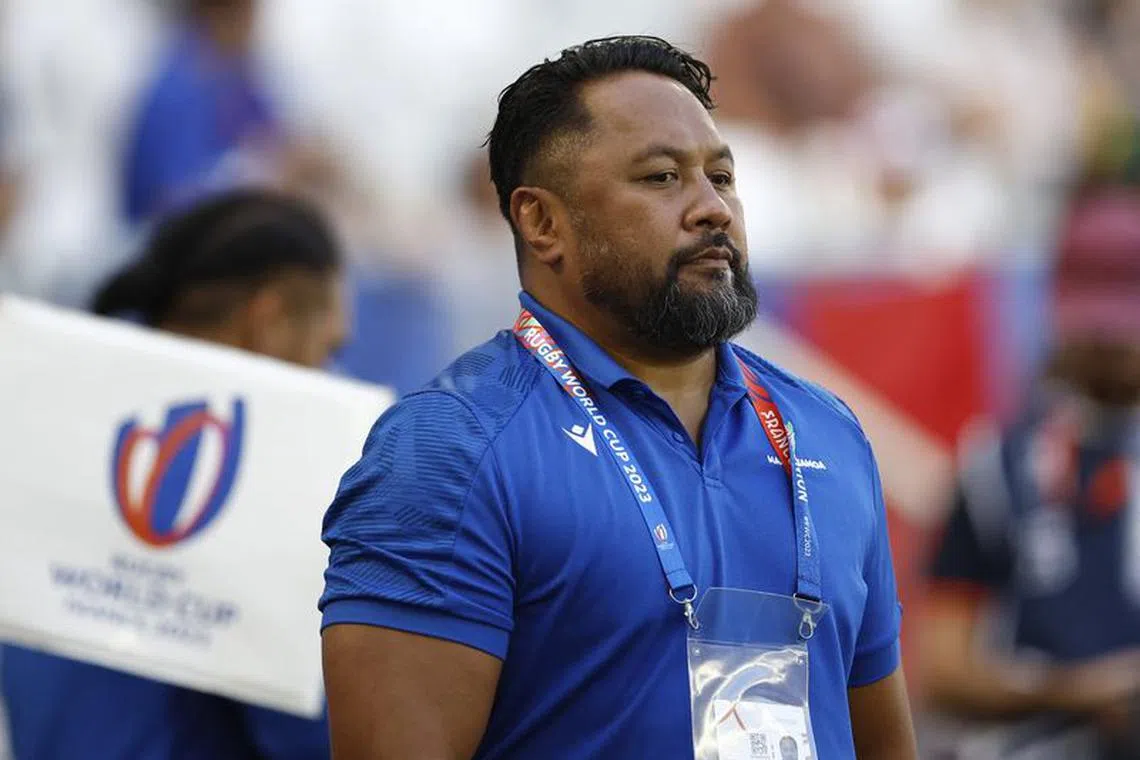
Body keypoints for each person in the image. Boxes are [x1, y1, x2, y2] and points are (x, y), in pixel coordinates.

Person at [319, 36, 917, 759]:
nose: (712, 210)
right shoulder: (447, 450)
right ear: (543, 223)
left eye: (722, 177)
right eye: (662, 177)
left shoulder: (825, 431)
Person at [1, 189, 346, 759]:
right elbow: (319, 737)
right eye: (330, 346)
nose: (335, 373)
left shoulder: (66, 419)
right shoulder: (253, 471)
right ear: (270, 320)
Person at [919, 181, 1140, 759]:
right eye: (1096, 317)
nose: (1112, 341)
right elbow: (943, 666)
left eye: (1126, 318)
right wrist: (1073, 692)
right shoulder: (995, 464)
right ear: (1056, 307)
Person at [121, 0, 336, 225]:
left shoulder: (240, 78)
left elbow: (277, 137)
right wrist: (270, 176)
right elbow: (171, 204)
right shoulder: (177, 88)